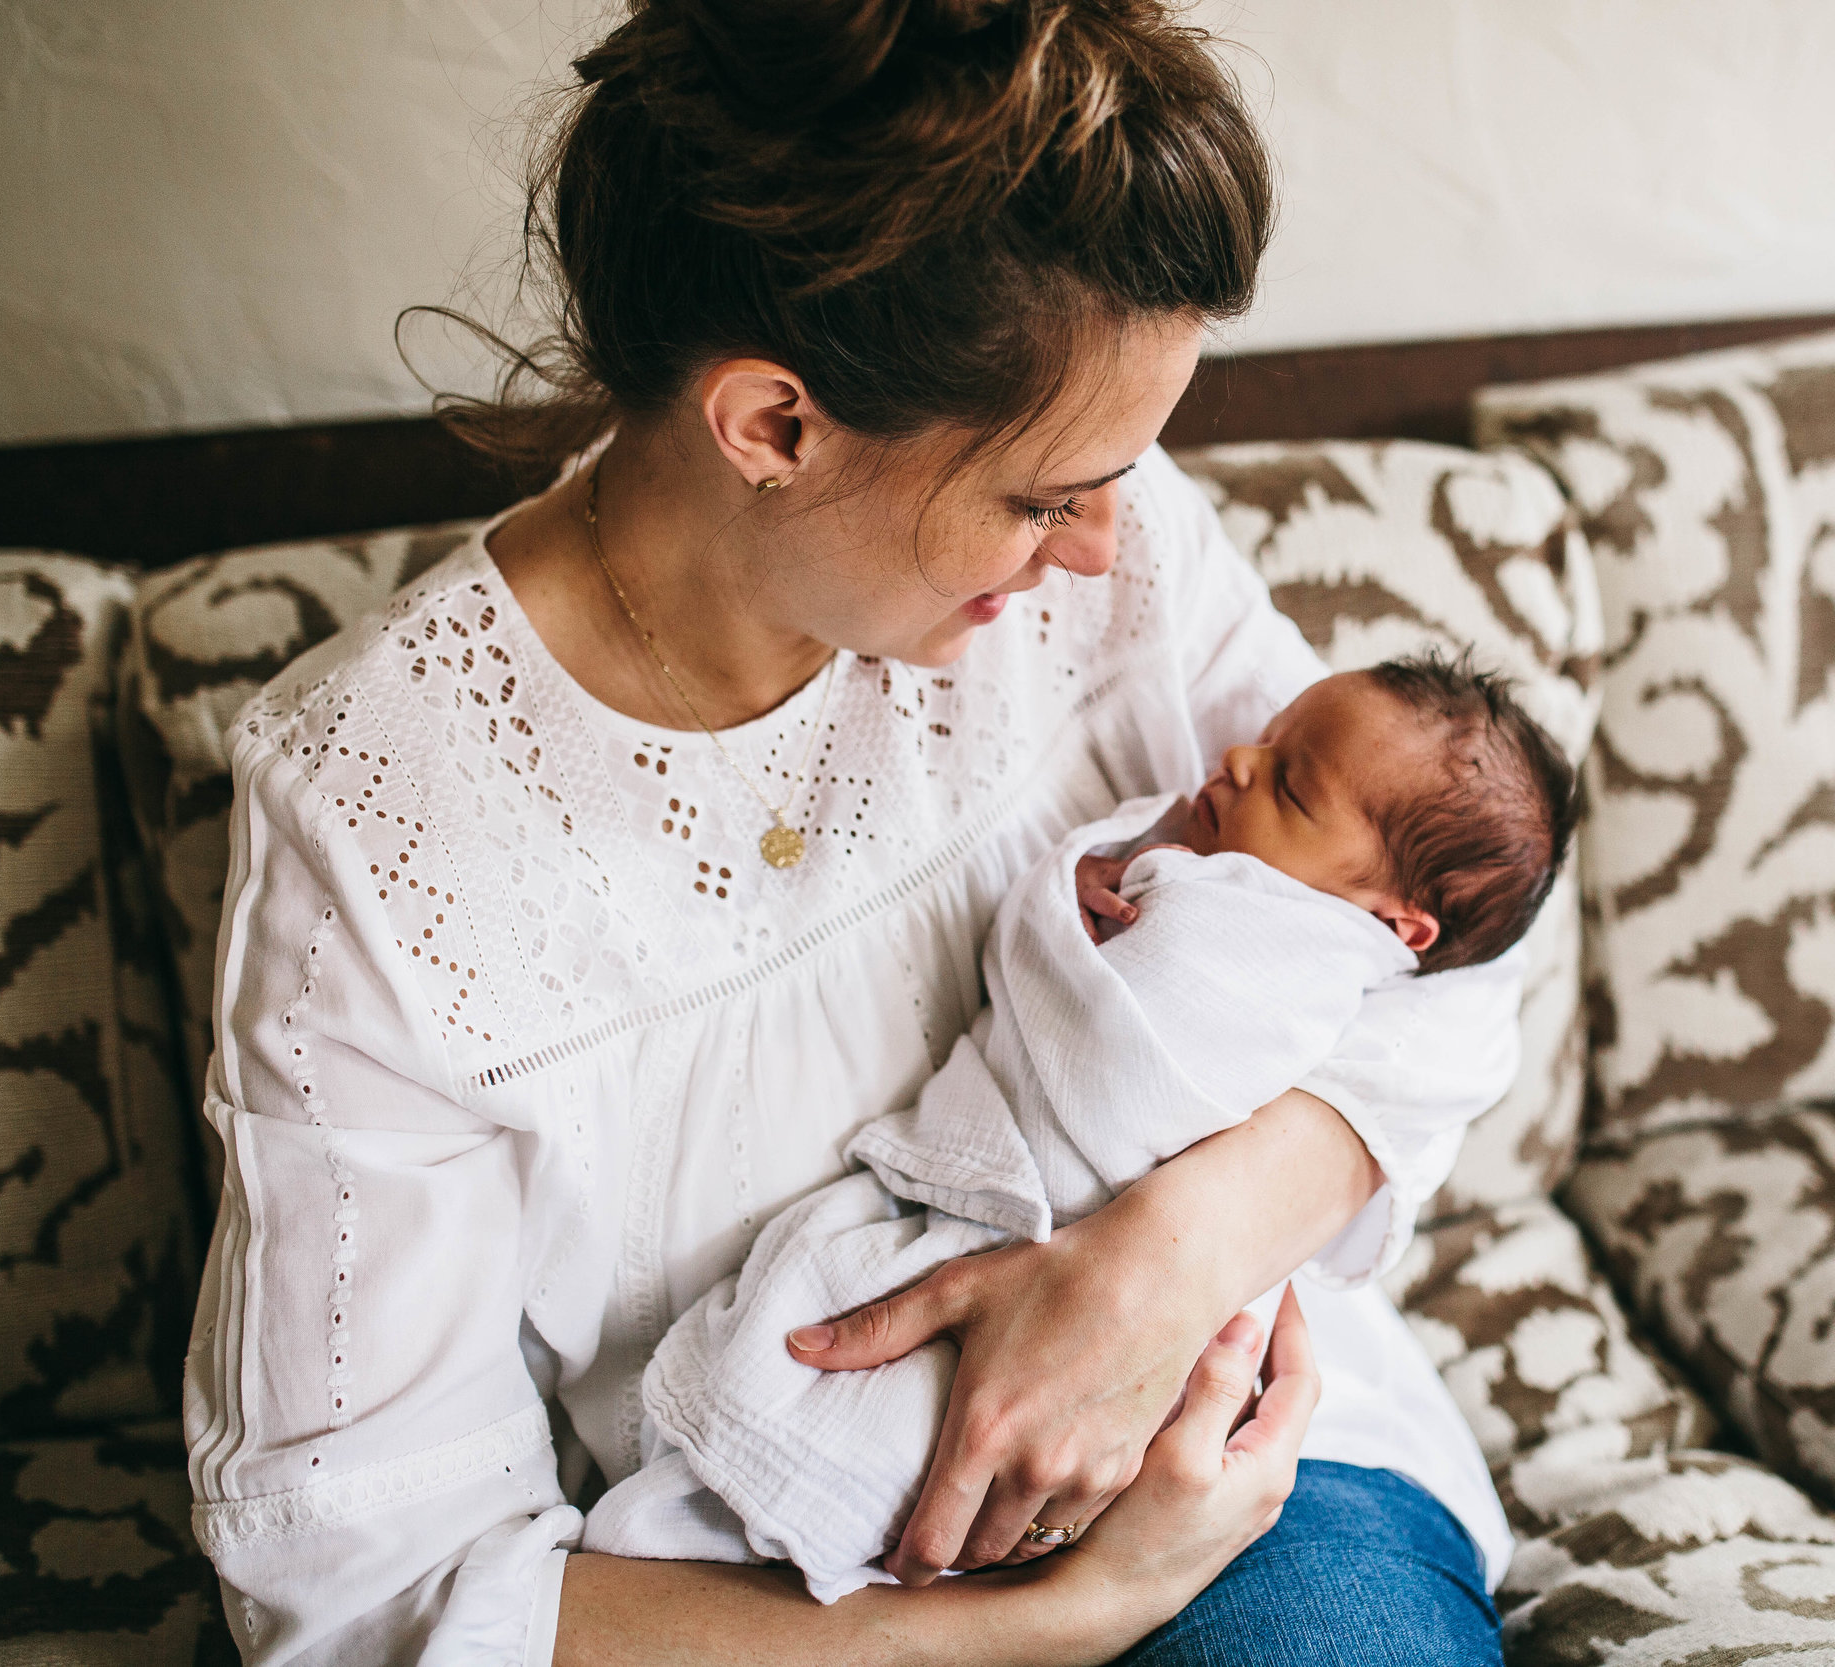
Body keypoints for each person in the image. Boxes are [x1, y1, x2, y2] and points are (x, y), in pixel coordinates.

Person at [184, 2, 1524, 1661]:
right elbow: (370, 1590)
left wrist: (1160, 1262)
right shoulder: (389, 827)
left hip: (1227, 1458)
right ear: (774, 425)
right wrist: (1044, 1623)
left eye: (1126, 470)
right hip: (758, 1567)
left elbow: (1443, 946)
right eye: (1047, 494)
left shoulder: (1107, 555)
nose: (1109, 547)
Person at [579, 658, 1577, 1598]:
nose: (1237, 760)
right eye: (1268, 742)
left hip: (1264, 1429)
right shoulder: (1258, 854)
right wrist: (1119, 867)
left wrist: (1174, 1245)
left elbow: (1107, 1064)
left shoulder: (1290, 944)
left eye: (1289, 785)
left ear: (1397, 929)